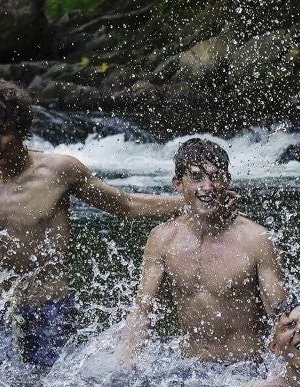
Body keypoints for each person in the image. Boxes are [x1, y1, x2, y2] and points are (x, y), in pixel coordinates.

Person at [0, 79, 184, 367]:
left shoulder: (59, 170)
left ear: (22, 130)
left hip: (50, 307)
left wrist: (191, 204)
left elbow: (125, 205)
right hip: (0, 308)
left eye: (1, 133)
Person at [118, 138, 289, 364]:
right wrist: (121, 366)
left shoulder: (255, 239)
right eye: (197, 177)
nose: (207, 187)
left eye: (215, 177)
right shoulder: (162, 239)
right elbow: (142, 312)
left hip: (245, 370)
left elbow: (282, 317)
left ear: (226, 181)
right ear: (178, 184)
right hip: (190, 372)